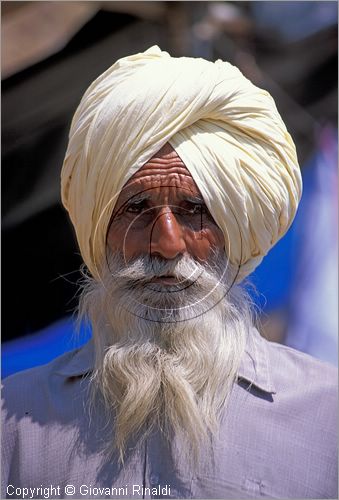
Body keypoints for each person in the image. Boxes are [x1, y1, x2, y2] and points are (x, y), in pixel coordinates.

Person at [2, 46, 337, 500]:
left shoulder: (326, 417)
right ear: (98, 227)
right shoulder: (14, 425)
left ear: (236, 229)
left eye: (195, 209)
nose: (167, 243)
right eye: (136, 207)